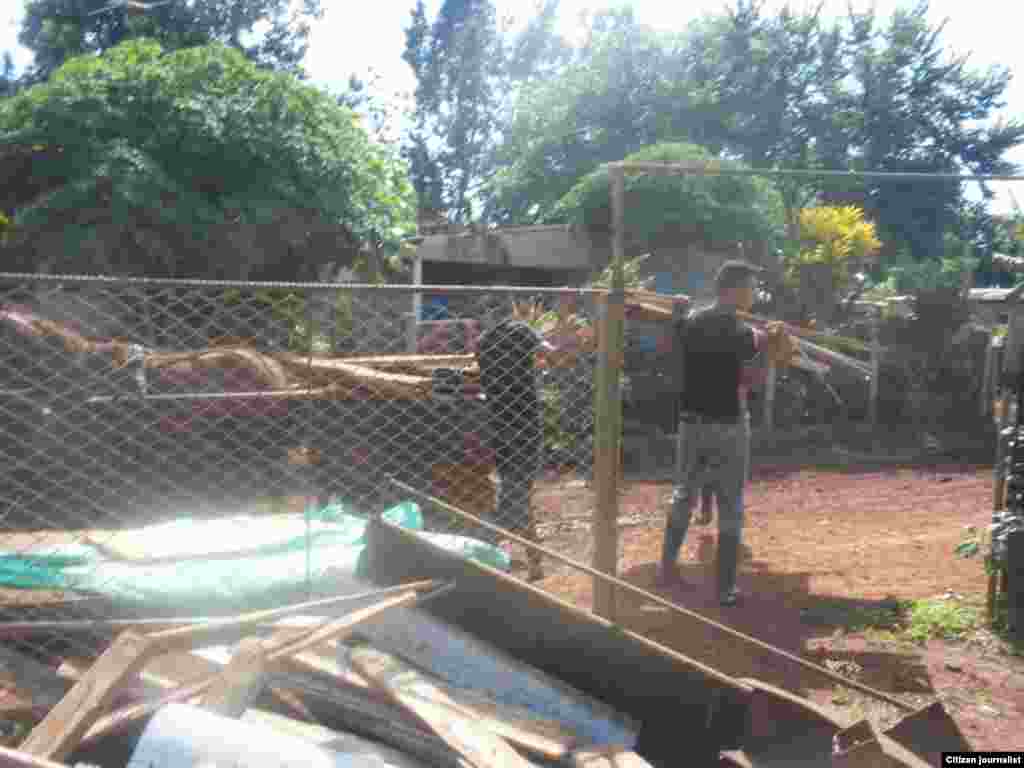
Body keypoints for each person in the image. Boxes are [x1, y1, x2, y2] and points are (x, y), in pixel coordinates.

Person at [658, 260, 782, 606]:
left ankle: (666, 568)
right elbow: (755, 378)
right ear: (735, 289)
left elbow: (672, 344)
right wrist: (771, 344)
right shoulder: (743, 332)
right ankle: (725, 588)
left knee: (684, 493)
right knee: (730, 502)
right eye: (751, 288)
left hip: (691, 421)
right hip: (728, 424)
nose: (754, 294)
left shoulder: (691, 322)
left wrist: (677, 313)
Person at [476, 314, 553, 581]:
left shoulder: (483, 342)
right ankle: (509, 555)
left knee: (515, 491)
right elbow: (551, 355)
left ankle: (533, 561)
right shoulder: (521, 330)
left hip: (498, 425)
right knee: (517, 497)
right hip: (525, 425)